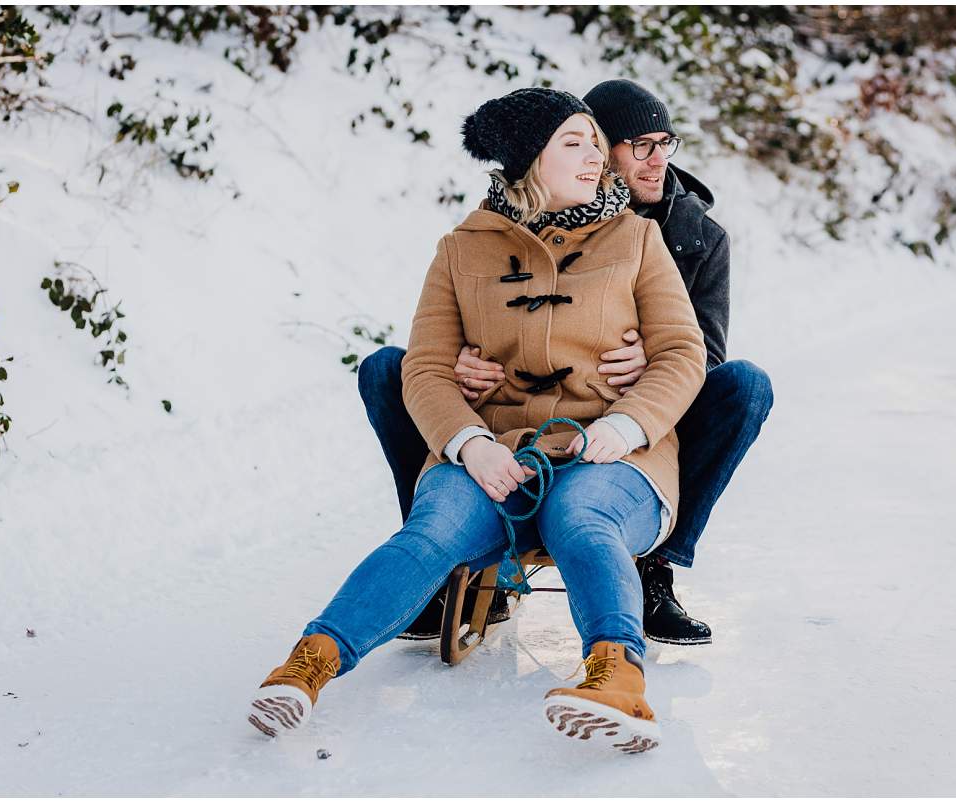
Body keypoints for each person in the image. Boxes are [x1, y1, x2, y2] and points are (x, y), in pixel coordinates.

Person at [250, 87, 706, 754]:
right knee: (429, 530)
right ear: (529, 161)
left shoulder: (636, 238)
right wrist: (467, 444)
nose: (594, 157)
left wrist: (630, 425)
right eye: (572, 143)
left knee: (584, 520)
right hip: (493, 450)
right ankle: (307, 664)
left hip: (610, 450)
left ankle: (617, 677)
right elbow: (427, 367)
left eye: (592, 142)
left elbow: (682, 352)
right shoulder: (461, 248)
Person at [360, 80, 773, 645]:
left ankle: (653, 567)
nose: (654, 159)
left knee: (744, 386)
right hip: (510, 410)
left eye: (664, 143)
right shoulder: (488, 228)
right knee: (388, 368)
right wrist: (456, 360)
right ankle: (448, 556)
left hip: (636, 405)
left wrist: (649, 360)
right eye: (636, 145)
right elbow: (462, 327)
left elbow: (702, 354)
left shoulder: (693, 235)